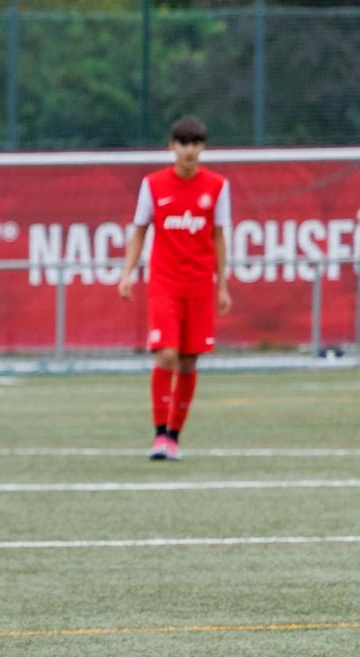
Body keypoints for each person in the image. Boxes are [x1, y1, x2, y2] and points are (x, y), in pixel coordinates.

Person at [117, 114, 232, 461]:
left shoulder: (217, 187)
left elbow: (218, 237)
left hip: (199, 285)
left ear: (203, 147)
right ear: (171, 147)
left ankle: (174, 437)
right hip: (164, 282)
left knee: (188, 360)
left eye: (195, 143)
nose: (189, 150)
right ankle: (159, 435)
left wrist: (222, 285)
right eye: (183, 143)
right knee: (166, 353)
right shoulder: (153, 185)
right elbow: (139, 231)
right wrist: (127, 273)